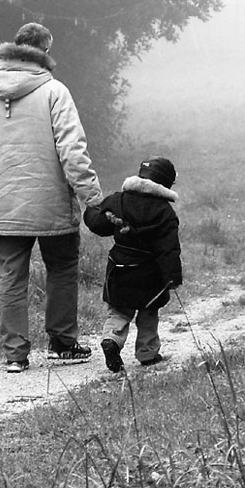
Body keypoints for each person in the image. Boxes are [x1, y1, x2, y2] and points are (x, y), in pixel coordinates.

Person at [0, 22, 105, 373]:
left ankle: (15, 355)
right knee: (62, 268)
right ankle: (62, 343)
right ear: (45, 51)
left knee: (10, 278)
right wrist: (93, 198)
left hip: (3, 205)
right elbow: (72, 150)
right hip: (51, 203)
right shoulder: (55, 91)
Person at [83, 156, 183, 372]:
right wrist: (172, 278)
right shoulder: (165, 212)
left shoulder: (118, 200)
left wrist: (91, 211)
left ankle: (111, 339)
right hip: (150, 273)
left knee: (119, 311)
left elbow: (99, 225)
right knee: (149, 312)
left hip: (119, 268)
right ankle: (148, 353)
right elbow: (169, 249)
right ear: (167, 183)